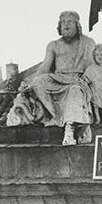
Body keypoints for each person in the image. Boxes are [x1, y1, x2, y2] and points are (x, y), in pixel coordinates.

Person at [30, 11, 95, 145]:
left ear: (77, 25)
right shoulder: (53, 45)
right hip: (57, 79)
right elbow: (44, 67)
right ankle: (57, 116)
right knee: (38, 83)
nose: (66, 24)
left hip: (77, 79)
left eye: (70, 21)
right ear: (59, 25)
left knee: (75, 90)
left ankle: (69, 129)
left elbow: (91, 67)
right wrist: (30, 81)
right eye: (63, 22)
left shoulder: (87, 43)